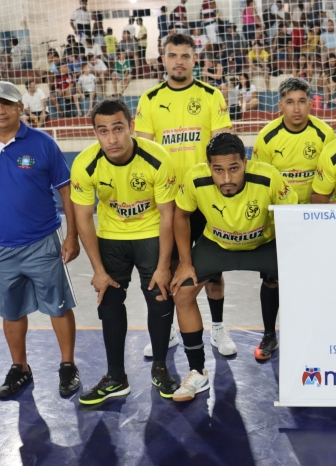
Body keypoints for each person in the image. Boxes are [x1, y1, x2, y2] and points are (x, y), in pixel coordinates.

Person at [0, 81, 80, 399]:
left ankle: (67, 365)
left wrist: (72, 235)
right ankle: (20, 368)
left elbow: (66, 190)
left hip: (42, 242)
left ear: (20, 108)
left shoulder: (42, 143)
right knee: (11, 311)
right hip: (0, 247)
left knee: (58, 306)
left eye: (7, 104)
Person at [170, 133, 298, 400]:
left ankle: (307, 360)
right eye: (218, 170)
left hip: (262, 245)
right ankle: (197, 372)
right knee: (182, 292)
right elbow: (180, 216)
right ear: (209, 167)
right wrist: (184, 262)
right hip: (216, 244)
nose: (226, 178)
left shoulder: (269, 177)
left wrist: (293, 261)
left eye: (233, 169)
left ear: (245, 163)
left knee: (304, 284)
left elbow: (292, 217)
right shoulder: (195, 179)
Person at [71, 98, 179, 404]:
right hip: (111, 237)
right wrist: (98, 270)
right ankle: (116, 377)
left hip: (150, 233)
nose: (112, 138)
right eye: (102, 131)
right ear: (94, 133)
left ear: (131, 127)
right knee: (109, 303)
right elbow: (82, 218)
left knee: (159, 298)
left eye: (118, 129)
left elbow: (168, 215)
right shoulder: (85, 163)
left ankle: (160, 369)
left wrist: (162, 265)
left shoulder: (157, 158)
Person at [135, 33, 233, 358]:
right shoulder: (149, 99)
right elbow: (144, 152)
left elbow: (221, 145)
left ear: (194, 59)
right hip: (167, 202)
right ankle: (173, 329)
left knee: (214, 267)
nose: (178, 60)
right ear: (163, 59)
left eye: (185, 55)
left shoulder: (210, 95)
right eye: (172, 55)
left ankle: (218, 327)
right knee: (171, 266)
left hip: (204, 200)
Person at [253, 78, 336, 204]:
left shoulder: (325, 134)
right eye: (290, 102)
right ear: (281, 105)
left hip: (314, 211)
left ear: (310, 104)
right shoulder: (266, 137)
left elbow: (332, 177)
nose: (296, 109)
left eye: (301, 101)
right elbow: (259, 180)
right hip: (279, 210)